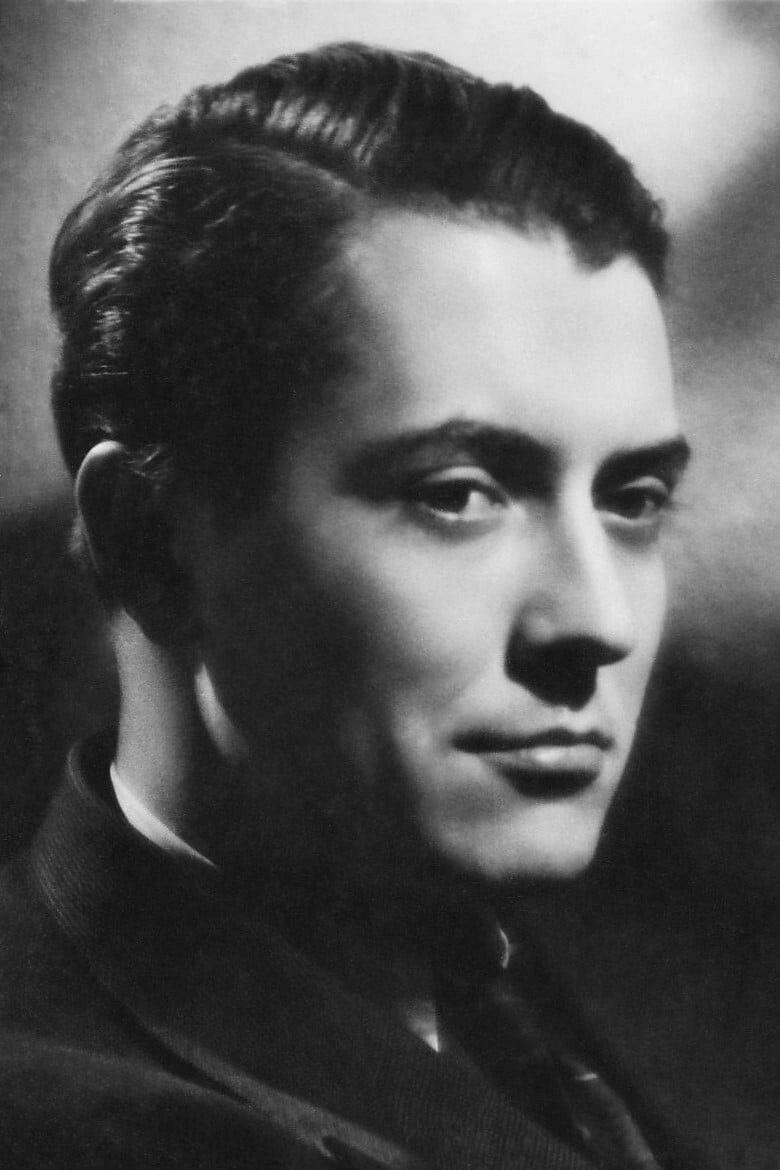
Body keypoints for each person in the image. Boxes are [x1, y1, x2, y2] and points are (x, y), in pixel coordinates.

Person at [0, 43, 693, 1169]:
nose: (598, 621)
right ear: (151, 543)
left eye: (634, 499)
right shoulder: (69, 1126)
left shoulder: (520, 1003)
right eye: (457, 495)